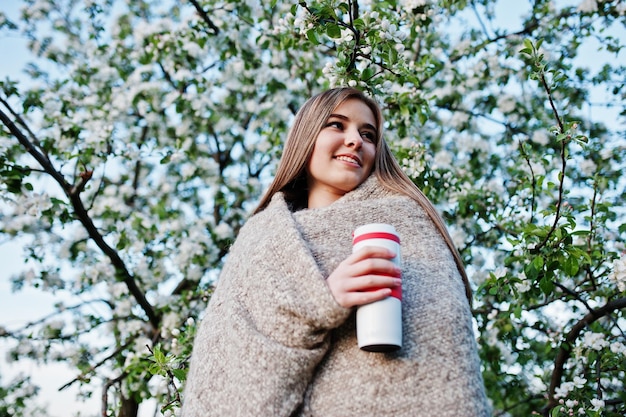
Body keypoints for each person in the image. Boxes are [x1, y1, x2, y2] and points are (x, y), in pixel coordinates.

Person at [182, 87, 490, 416]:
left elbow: (447, 347)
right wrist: (320, 301)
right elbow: (226, 370)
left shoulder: (411, 223)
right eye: (337, 125)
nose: (356, 140)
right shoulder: (260, 241)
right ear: (306, 137)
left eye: (368, 134)